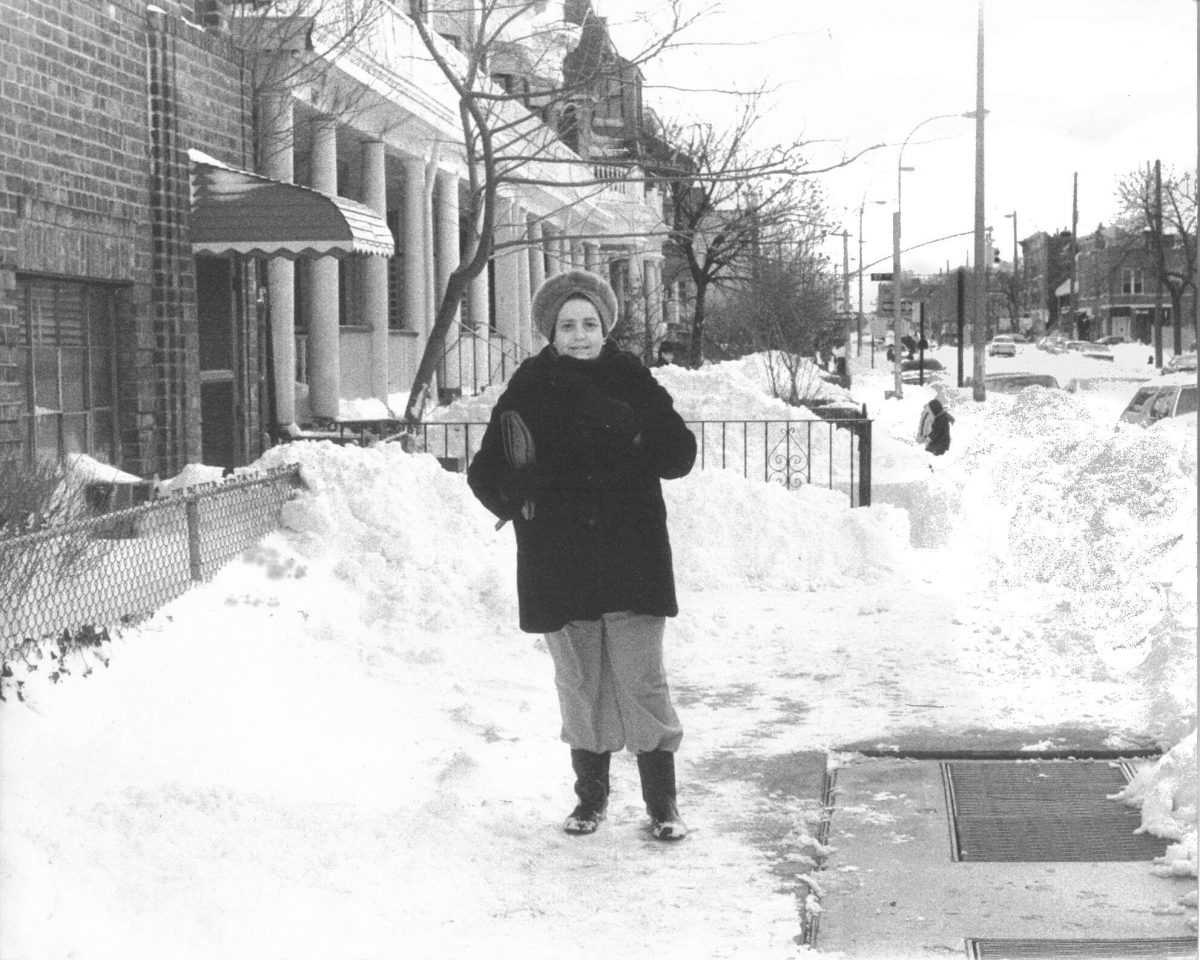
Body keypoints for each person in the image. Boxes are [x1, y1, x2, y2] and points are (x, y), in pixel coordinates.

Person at [467, 270, 697, 841]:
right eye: (567, 326)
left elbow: (679, 456)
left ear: (605, 328)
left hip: (631, 556)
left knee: (643, 682)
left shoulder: (632, 379)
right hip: (559, 560)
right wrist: (517, 491)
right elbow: (484, 473)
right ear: (550, 332)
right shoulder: (527, 387)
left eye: (589, 324)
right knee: (580, 684)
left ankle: (662, 804)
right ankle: (590, 800)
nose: (579, 336)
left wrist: (636, 427)